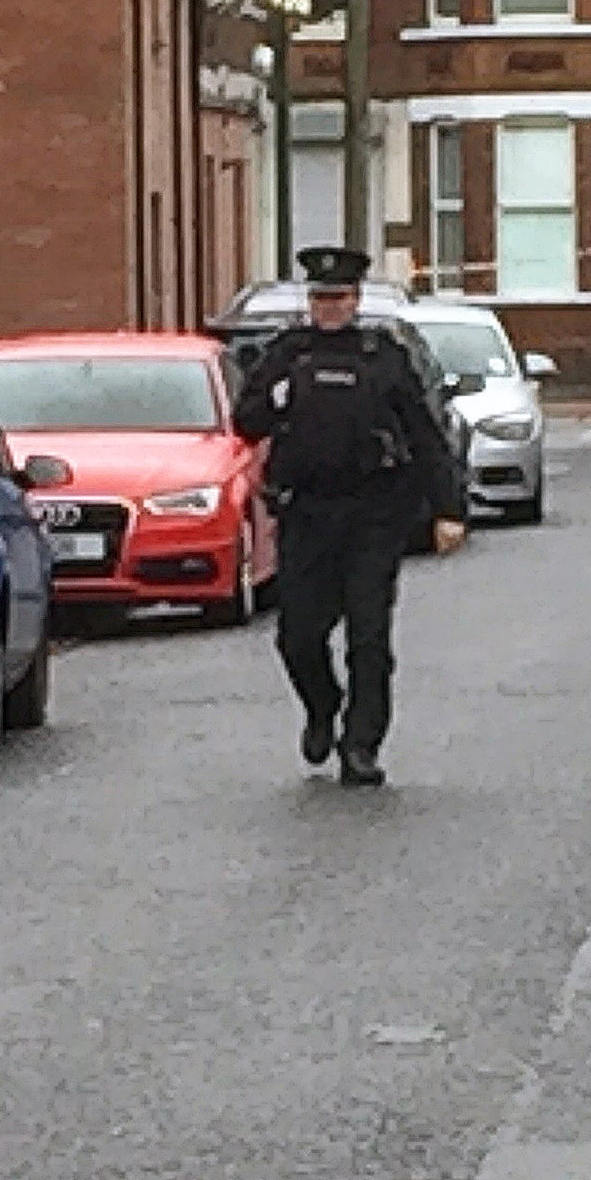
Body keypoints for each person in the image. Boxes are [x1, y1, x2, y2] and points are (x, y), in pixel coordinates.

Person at [234, 246, 468, 787]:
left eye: (338, 297)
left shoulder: (382, 355)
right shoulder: (286, 355)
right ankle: (322, 706)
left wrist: (448, 509)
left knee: (368, 638)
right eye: (319, 298)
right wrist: (275, 399)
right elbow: (246, 422)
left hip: (373, 515)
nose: (329, 307)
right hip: (307, 514)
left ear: (356, 299)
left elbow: (425, 435)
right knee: (298, 637)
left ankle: (361, 743)